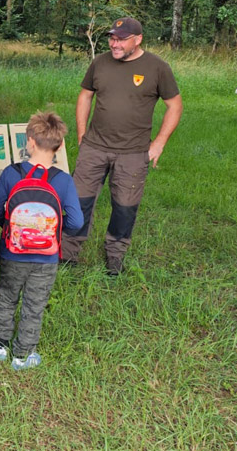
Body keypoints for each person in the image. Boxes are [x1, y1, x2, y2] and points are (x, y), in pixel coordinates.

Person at [61, 16, 182, 275]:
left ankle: (115, 256)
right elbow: (85, 95)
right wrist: (82, 133)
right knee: (78, 201)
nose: (114, 44)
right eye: (112, 38)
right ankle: (68, 253)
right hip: (94, 147)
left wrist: (159, 143)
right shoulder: (100, 63)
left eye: (121, 39)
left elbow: (175, 106)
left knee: (124, 207)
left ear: (138, 40)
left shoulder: (157, 67)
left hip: (134, 152)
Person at [0, 112, 82, 369]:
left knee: (7, 296)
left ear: (29, 142)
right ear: (60, 145)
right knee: (35, 303)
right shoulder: (63, 181)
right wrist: (50, 230)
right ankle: (22, 354)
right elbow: (76, 222)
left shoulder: (11, 173)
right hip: (47, 258)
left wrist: (10, 229)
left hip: (12, 252)